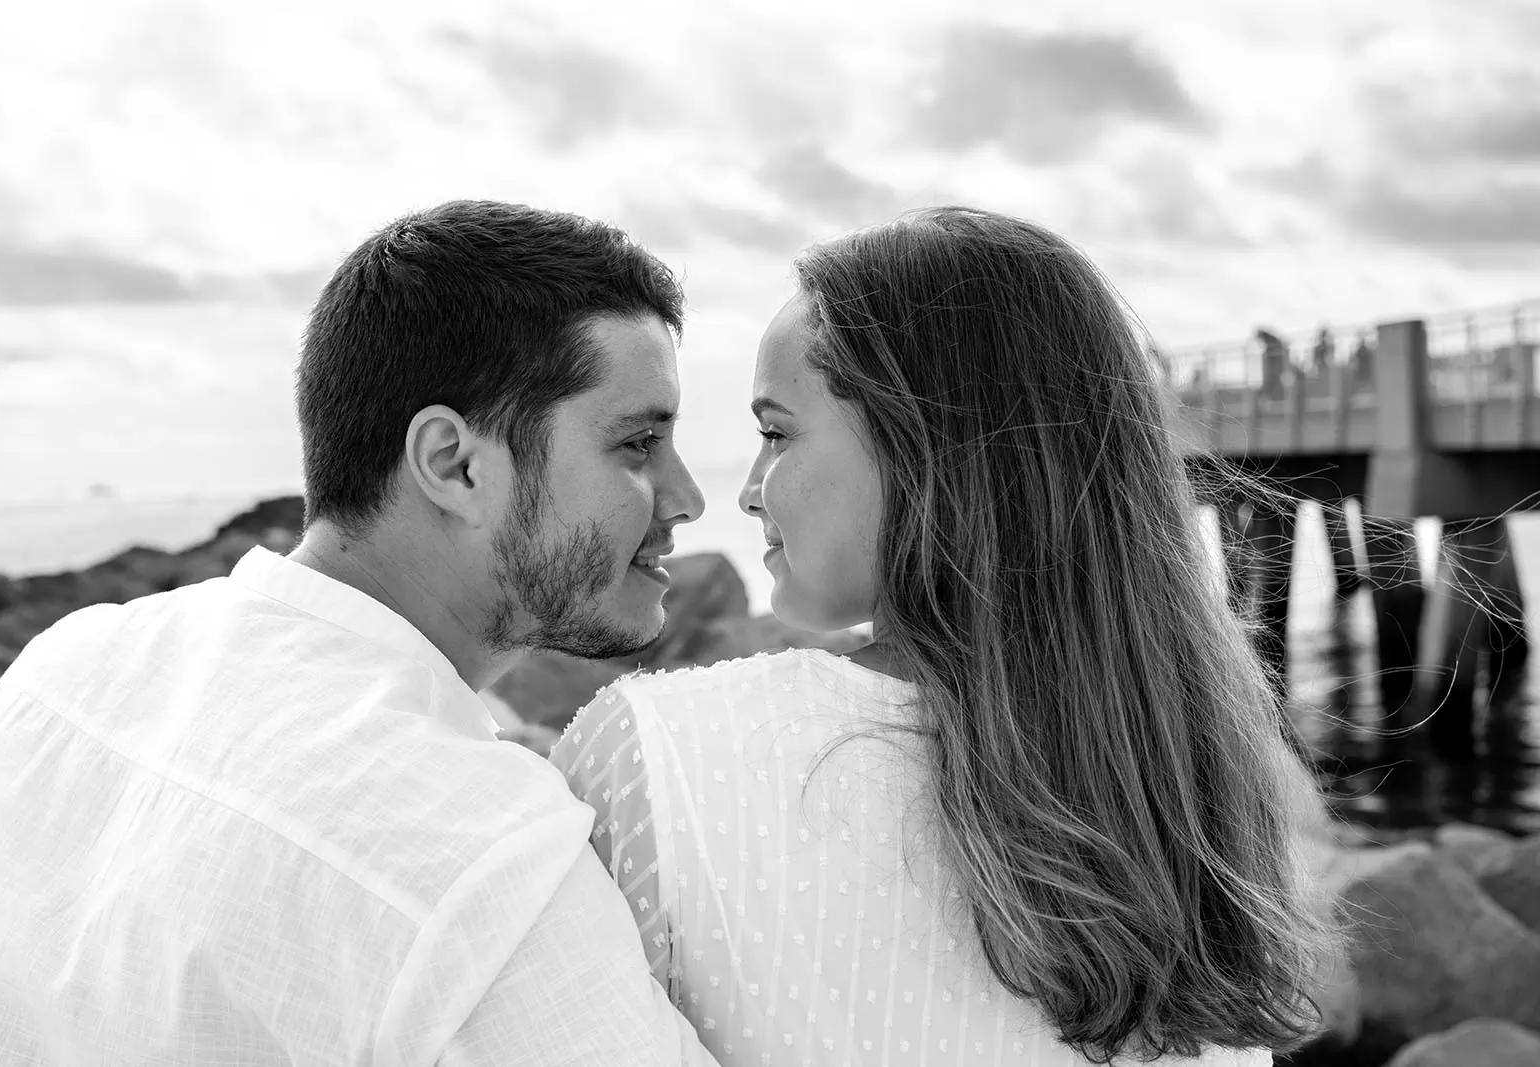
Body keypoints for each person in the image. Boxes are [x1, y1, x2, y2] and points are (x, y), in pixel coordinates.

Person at [0, 201, 718, 1065]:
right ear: (454, 464)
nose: (687, 497)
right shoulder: (486, 859)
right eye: (638, 443)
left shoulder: (52, 676)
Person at [553, 207, 1330, 1065]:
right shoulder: (1187, 793)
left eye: (776, 433)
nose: (745, 489)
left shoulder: (654, 755)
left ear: (923, 450)